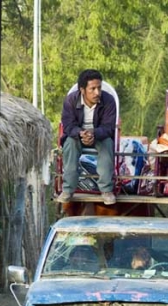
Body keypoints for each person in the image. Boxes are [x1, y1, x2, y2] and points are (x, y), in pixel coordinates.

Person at [56, 69, 117, 205]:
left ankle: (106, 190)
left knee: (107, 144)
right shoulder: (70, 100)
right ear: (82, 90)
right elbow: (68, 126)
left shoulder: (108, 101)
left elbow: (108, 127)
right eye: (93, 89)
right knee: (69, 145)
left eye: (99, 88)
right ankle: (68, 190)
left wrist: (93, 133)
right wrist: (80, 133)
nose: (97, 92)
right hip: (76, 136)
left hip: (99, 135)